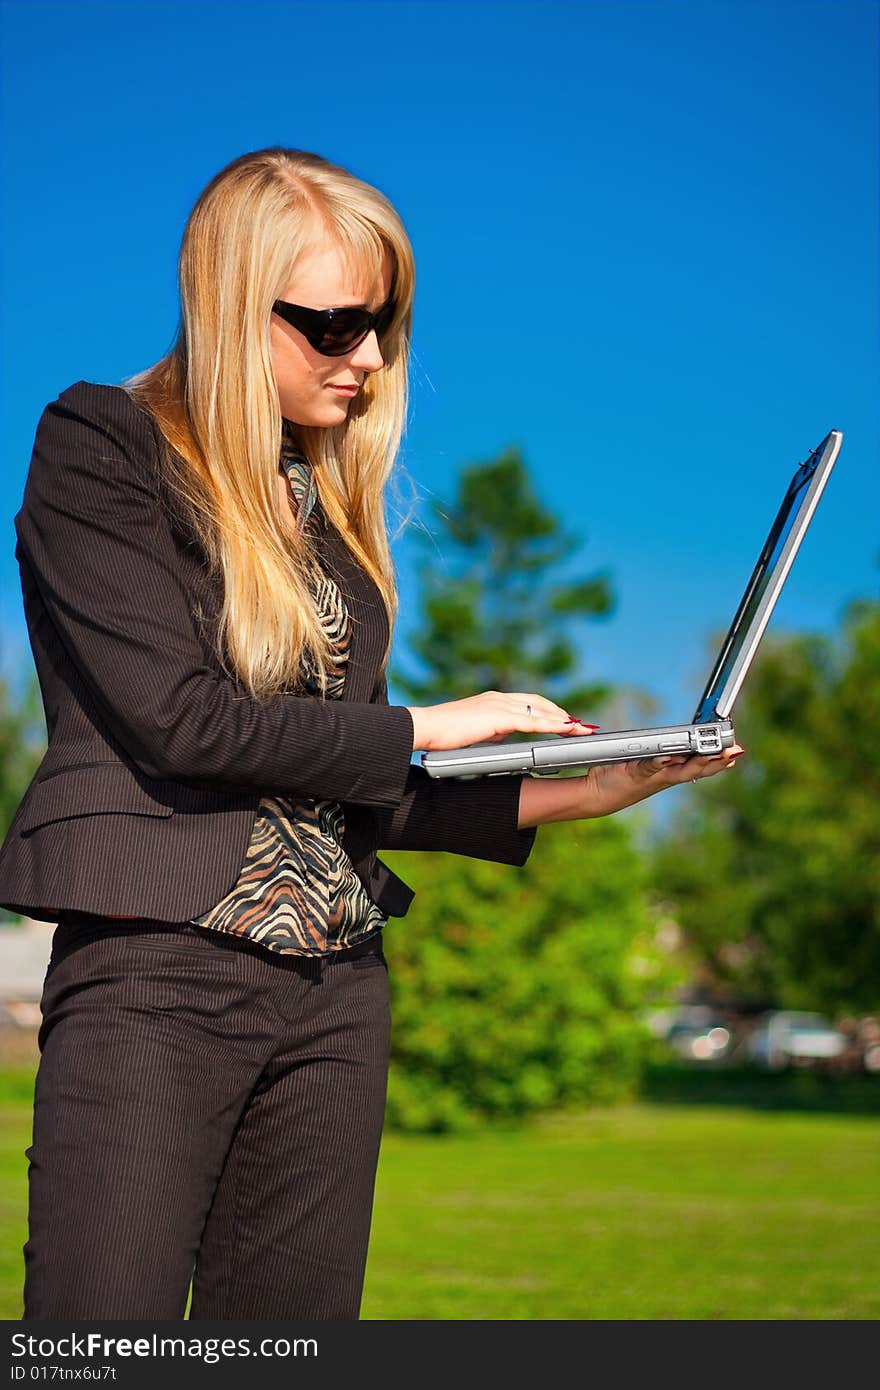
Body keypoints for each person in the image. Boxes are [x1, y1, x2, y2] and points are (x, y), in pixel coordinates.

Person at [0, 146, 743, 1321]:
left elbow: (343, 783)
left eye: (386, 323)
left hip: (335, 989)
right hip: (159, 973)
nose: (373, 358)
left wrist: (587, 788)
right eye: (337, 326)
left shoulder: (327, 521)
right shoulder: (101, 446)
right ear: (236, 304)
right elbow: (183, 725)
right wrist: (436, 718)